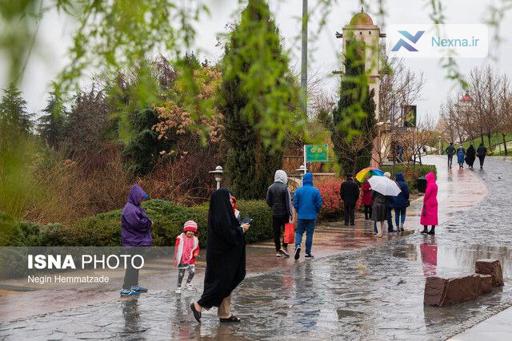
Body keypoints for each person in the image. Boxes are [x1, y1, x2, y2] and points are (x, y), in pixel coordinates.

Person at [191, 189, 250, 323]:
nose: (231, 200)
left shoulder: (222, 213)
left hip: (224, 257)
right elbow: (229, 234)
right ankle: (198, 305)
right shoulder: (221, 216)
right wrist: (241, 229)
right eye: (228, 198)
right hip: (222, 258)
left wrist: (239, 228)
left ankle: (225, 314)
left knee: (226, 283)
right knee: (220, 284)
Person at [120, 183, 152, 297]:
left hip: (137, 242)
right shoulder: (130, 209)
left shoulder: (135, 207)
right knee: (132, 266)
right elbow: (138, 223)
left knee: (136, 265)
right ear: (135, 196)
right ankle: (126, 287)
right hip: (133, 242)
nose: (141, 200)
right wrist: (149, 222)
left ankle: (134, 285)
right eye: (140, 197)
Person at [293, 172, 323, 260]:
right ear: (311, 180)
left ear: (303, 180)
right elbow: (319, 204)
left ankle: (297, 245)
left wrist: (299, 211)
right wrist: (316, 211)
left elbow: (295, 203)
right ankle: (308, 252)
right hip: (312, 216)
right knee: (309, 234)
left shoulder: (298, 190)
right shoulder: (315, 191)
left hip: (301, 216)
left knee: (299, 232)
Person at [266, 170, 292, 257]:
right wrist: (290, 213)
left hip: (275, 213)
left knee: (276, 232)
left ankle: (277, 250)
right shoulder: (285, 188)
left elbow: (268, 201)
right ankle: (284, 247)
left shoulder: (270, 188)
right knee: (287, 231)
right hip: (285, 213)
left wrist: (273, 206)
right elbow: (288, 202)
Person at [174, 220, 200, 294]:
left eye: (192, 231)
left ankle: (188, 283)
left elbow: (197, 248)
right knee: (181, 274)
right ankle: (179, 287)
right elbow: (176, 248)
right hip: (182, 259)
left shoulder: (195, 239)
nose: (191, 233)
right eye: (189, 231)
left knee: (192, 272)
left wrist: (196, 253)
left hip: (191, 259)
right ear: (185, 230)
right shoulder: (180, 238)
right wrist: (176, 257)